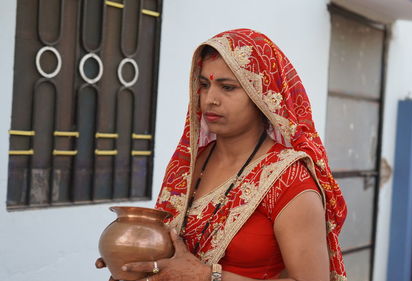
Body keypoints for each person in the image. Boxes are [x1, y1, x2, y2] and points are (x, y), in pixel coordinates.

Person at [97, 28, 347, 281]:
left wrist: (208, 277)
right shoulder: (190, 164)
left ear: (260, 95)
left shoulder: (289, 180)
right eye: (204, 85)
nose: (210, 99)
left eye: (228, 87)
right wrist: (135, 258)